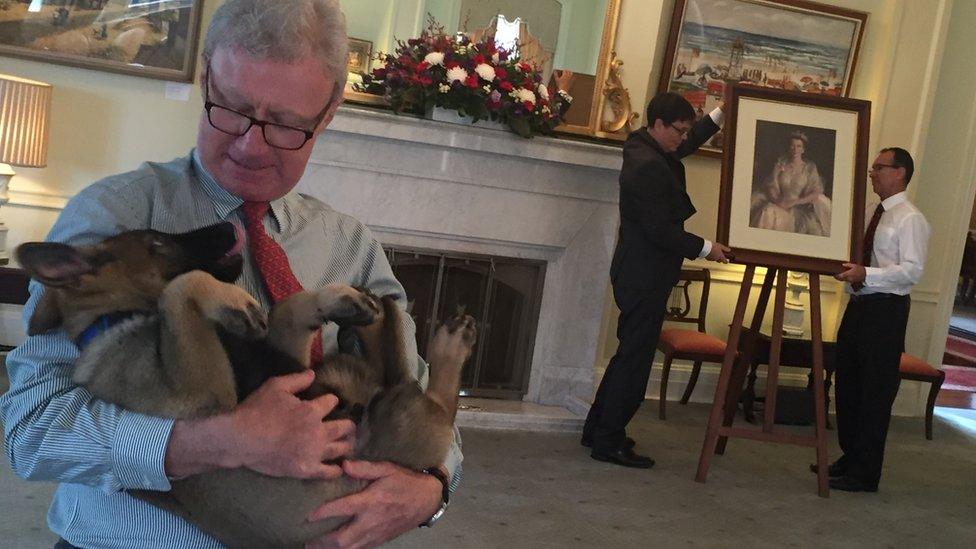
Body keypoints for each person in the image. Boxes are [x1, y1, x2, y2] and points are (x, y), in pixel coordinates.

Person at [0, 1, 460, 547]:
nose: (251, 144)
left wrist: (432, 487)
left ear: (329, 113)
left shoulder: (350, 246)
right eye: (232, 110)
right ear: (205, 79)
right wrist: (216, 442)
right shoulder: (114, 223)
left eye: (286, 124)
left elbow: (423, 398)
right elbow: (32, 432)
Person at [581, 91, 731, 468]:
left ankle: (599, 429)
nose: (684, 138)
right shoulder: (647, 164)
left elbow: (689, 141)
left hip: (638, 271)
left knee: (628, 355)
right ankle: (608, 441)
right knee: (635, 359)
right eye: (679, 130)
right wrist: (706, 247)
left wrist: (722, 113)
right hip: (644, 274)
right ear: (659, 125)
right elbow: (659, 231)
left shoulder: (646, 147)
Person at [829, 147, 930, 492]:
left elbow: (912, 271)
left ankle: (865, 472)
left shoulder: (910, 218)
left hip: (885, 311)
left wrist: (866, 274)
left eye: (879, 168)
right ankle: (850, 456)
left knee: (874, 391)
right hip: (859, 307)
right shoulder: (872, 210)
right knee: (848, 384)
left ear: (900, 172)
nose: (872, 173)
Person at [750, 130, 832, 236]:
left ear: (803, 149)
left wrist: (794, 202)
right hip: (779, 203)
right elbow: (772, 188)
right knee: (767, 211)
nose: (795, 149)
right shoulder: (781, 164)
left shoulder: (809, 167)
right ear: (789, 148)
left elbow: (815, 192)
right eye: (792, 146)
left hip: (798, 208)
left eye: (798, 146)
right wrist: (775, 175)